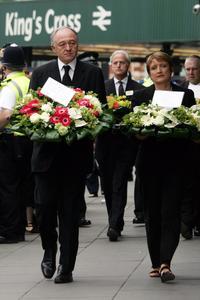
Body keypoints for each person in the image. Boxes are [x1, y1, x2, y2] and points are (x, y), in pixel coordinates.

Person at [29, 26, 106, 284]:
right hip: (46, 158)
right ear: (53, 48)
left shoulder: (92, 73)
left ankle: (66, 266)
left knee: (70, 215)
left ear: (78, 45)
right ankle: (49, 251)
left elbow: (101, 114)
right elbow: (30, 111)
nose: (68, 47)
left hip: (75, 159)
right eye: (62, 44)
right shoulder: (40, 74)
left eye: (72, 42)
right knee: (45, 211)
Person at [131, 51, 195, 282]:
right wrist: (140, 133)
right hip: (149, 163)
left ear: (171, 69)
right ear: (149, 72)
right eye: (154, 67)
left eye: (163, 66)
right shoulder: (140, 96)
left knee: (170, 212)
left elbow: (192, 129)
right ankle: (155, 262)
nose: (159, 70)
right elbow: (134, 133)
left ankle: (166, 262)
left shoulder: (185, 95)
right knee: (152, 214)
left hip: (176, 163)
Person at [96, 50, 143, 241]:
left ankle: (114, 225)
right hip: (105, 144)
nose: (118, 66)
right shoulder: (102, 87)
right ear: (110, 65)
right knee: (108, 184)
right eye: (115, 63)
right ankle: (114, 220)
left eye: (122, 63)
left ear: (128, 65)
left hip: (126, 144)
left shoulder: (137, 89)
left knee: (119, 182)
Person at [0, 45, 31, 243]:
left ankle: (10, 231)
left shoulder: (10, 86)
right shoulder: (28, 81)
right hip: (27, 139)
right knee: (21, 186)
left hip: (10, 140)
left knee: (7, 187)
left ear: (5, 67)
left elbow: (5, 114)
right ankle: (19, 227)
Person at [180, 55, 200, 239]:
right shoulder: (180, 89)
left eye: (194, 68)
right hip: (186, 147)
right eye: (188, 69)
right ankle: (187, 220)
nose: (191, 72)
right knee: (188, 184)